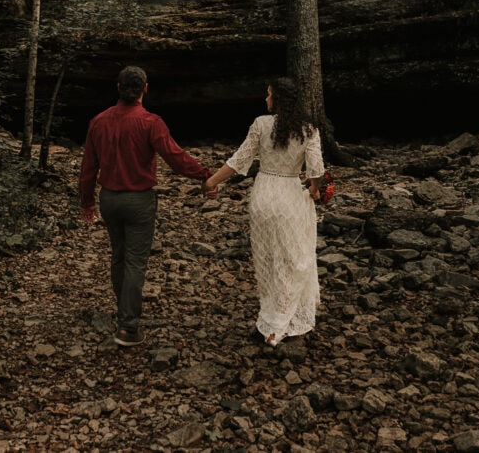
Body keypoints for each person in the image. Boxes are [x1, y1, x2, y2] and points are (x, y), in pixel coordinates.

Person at [79, 66, 212, 347]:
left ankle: (124, 310)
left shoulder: (98, 122)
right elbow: (175, 157)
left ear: (118, 88)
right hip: (138, 200)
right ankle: (127, 327)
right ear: (145, 89)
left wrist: (87, 201)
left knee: (118, 255)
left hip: (110, 199)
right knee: (135, 261)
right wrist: (205, 175)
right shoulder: (151, 122)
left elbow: (88, 168)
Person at [203, 77, 325, 347]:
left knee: (267, 258)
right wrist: (315, 189)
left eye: (268, 95)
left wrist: (211, 181)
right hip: (290, 195)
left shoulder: (261, 124)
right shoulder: (309, 129)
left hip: (263, 195)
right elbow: (316, 169)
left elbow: (239, 161)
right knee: (294, 258)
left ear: (278, 99)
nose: (265, 99)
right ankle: (283, 321)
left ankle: (272, 317)